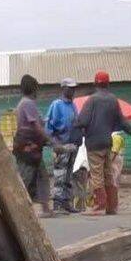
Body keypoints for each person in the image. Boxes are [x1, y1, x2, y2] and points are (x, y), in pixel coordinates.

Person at [73, 71, 131, 215]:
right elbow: (122, 122)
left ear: (96, 83)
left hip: (93, 144)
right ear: (108, 84)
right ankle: (112, 206)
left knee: (96, 174)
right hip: (107, 143)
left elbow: (82, 121)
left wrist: (75, 124)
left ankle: (98, 206)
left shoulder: (92, 100)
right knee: (109, 173)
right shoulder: (113, 100)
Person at [12, 74, 52, 217]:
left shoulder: (24, 103)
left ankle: (45, 208)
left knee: (41, 176)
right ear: (33, 89)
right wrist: (50, 140)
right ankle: (17, 210)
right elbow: (35, 126)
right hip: (28, 148)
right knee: (26, 179)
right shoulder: (27, 103)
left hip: (30, 147)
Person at [45, 78, 81, 214]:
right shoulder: (56, 105)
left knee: (68, 175)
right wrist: (55, 145)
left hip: (72, 145)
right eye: (70, 88)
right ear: (63, 89)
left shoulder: (73, 105)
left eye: (74, 88)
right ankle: (58, 203)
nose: (72, 90)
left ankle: (66, 202)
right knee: (60, 175)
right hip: (61, 145)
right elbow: (49, 128)